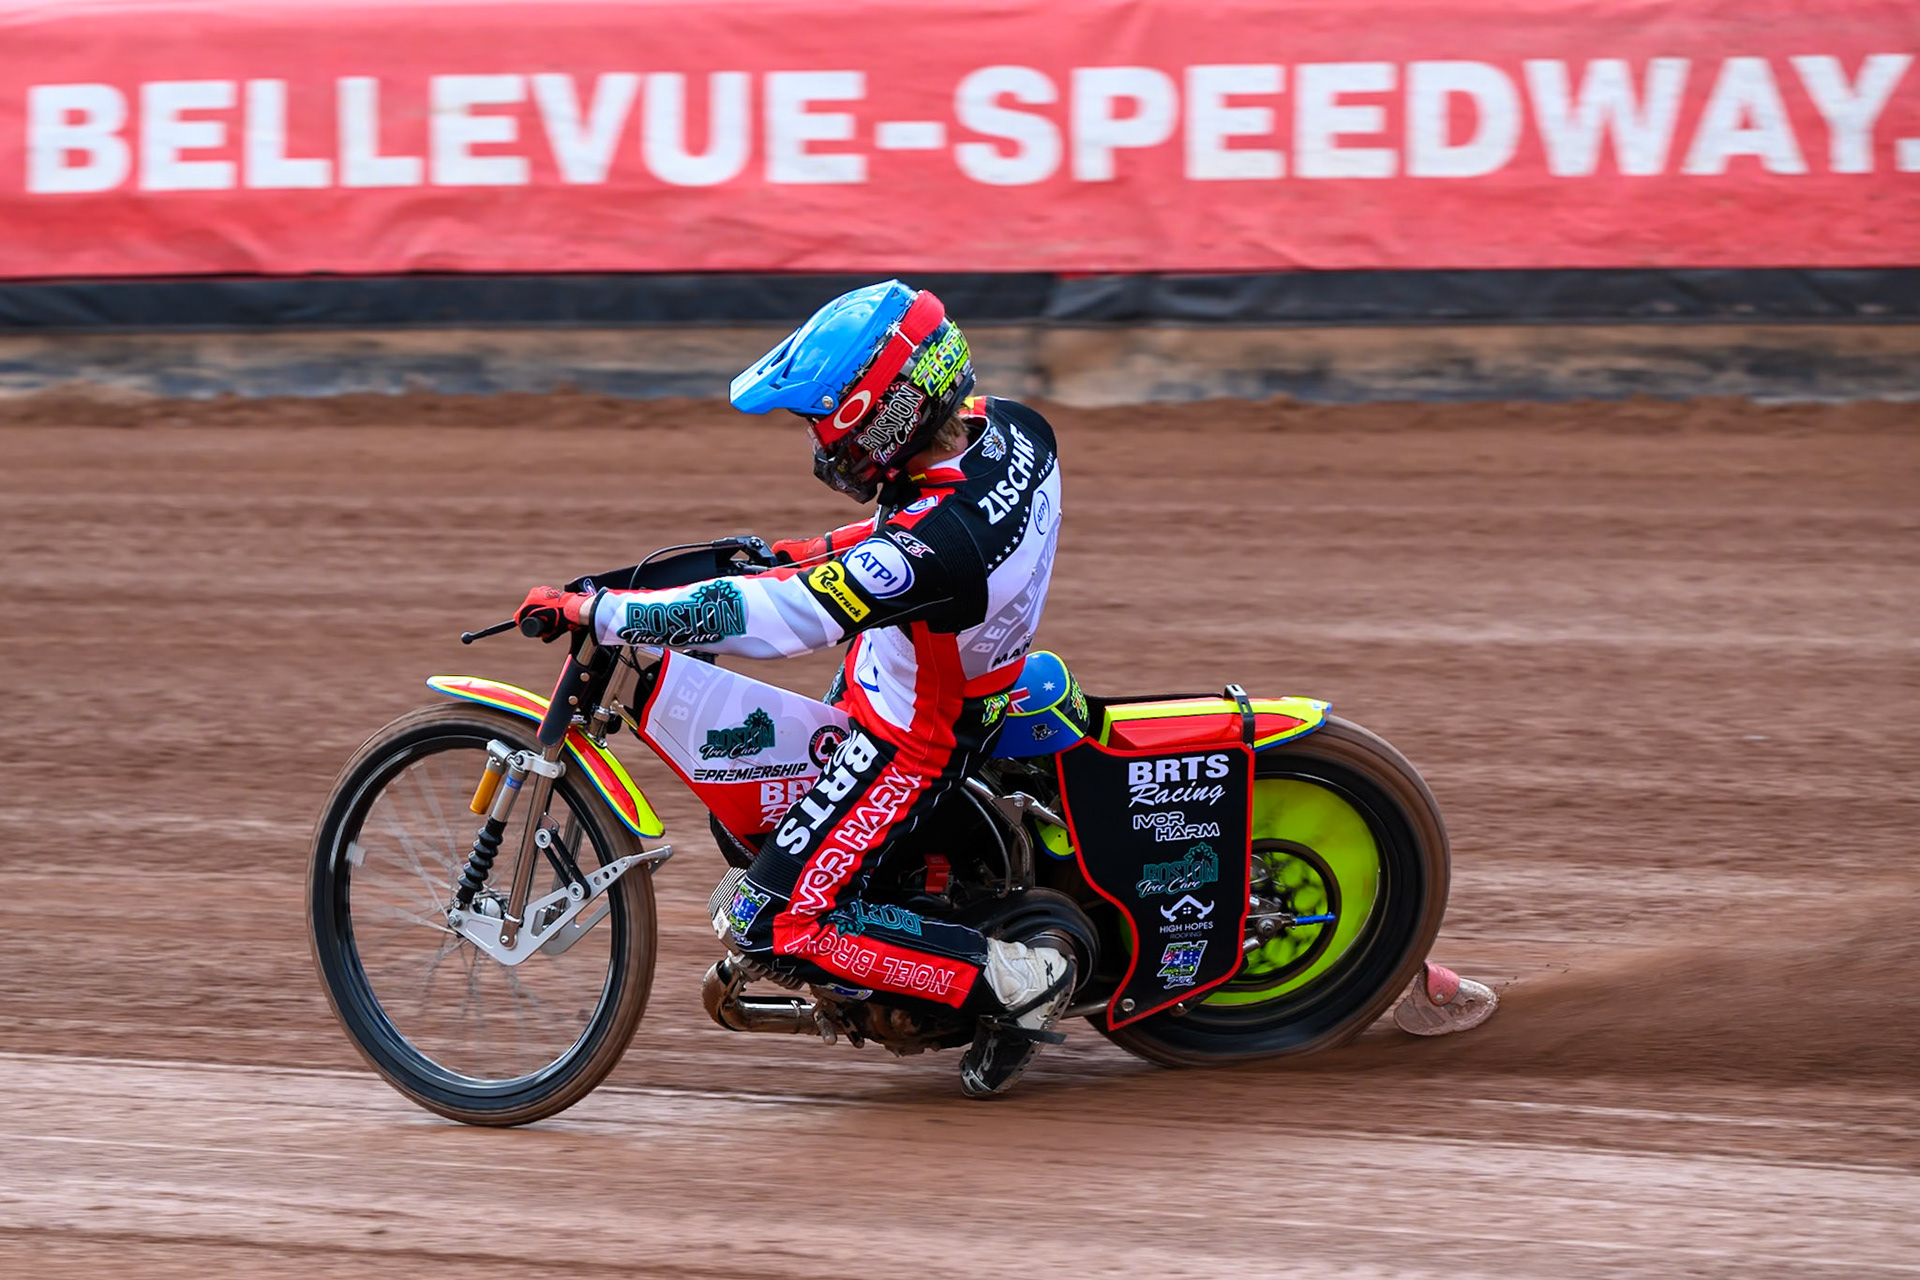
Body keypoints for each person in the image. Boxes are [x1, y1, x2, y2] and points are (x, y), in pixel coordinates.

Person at [515, 280, 1074, 1097]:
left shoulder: (938, 546)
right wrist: (812, 548)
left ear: (886, 413)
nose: (821, 446)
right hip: (924, 657)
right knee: (761, 798)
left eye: (827, 423)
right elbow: (911, 529)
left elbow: (780, 619)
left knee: (766, 923)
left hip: (916, 735)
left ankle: (1014, 983)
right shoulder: (1017, 427)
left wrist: (608, 613)